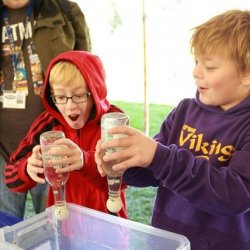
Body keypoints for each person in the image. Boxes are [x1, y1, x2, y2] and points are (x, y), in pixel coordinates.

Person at [95, 9, 250, 250]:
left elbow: (235, 194)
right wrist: (124, 163)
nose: (196, 72)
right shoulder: (184, 111)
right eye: (196, 61)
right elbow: (155, 171)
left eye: (209, 67)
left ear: (247, 73)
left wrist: (159, 156)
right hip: (167, 240)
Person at [4, 50, 127, 218]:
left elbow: (128, 177)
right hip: (64, 227)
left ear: (96, 91)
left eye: (79, 95)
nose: (70, 107)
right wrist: (27, 168)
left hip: (108, 227)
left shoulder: (112, 122)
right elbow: (10, 177)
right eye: (60, 97)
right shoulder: (48, 124)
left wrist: (85, 161)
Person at [0, 0, 91, 218]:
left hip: (53, 143)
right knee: (5, 231)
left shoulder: (64, 10)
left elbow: (85, 73)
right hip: (2, 150)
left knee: (58, 225)